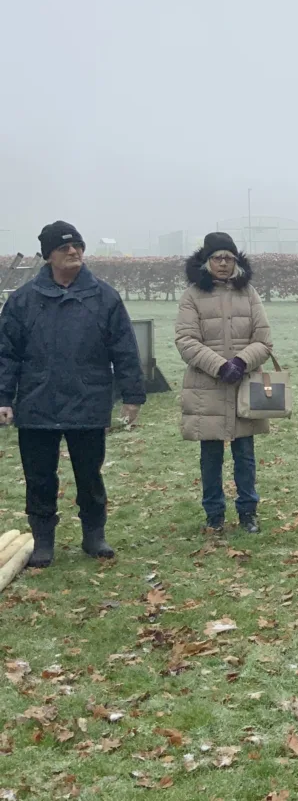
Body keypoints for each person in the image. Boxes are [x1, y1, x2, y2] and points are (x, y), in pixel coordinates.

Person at [0, 221, 146, 568]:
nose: (73, 251)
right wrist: (3, 398)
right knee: (39, 477)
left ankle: (94, 535)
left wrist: (132, 395)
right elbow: (6, 353)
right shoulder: (23, 301)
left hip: (88, 400)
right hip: (37, 403)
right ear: (47, 255)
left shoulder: (104, 296)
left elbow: (124, 348)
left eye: (77, 245)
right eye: (64, 248)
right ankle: (43, 540)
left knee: (89, 474)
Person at [174, 233, 272, 533]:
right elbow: (185, 340)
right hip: (207, 388)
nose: (223, 263)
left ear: (235, 261)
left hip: (244, 385)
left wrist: (242, 362)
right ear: (207, 261)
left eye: (228, 257)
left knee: (245, 455)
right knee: (211, 456)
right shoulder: (192, 296)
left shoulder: (249, 294)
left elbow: (264, 340)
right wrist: (219, 366)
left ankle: (247, 512)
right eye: (217, 257)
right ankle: (214, 514)